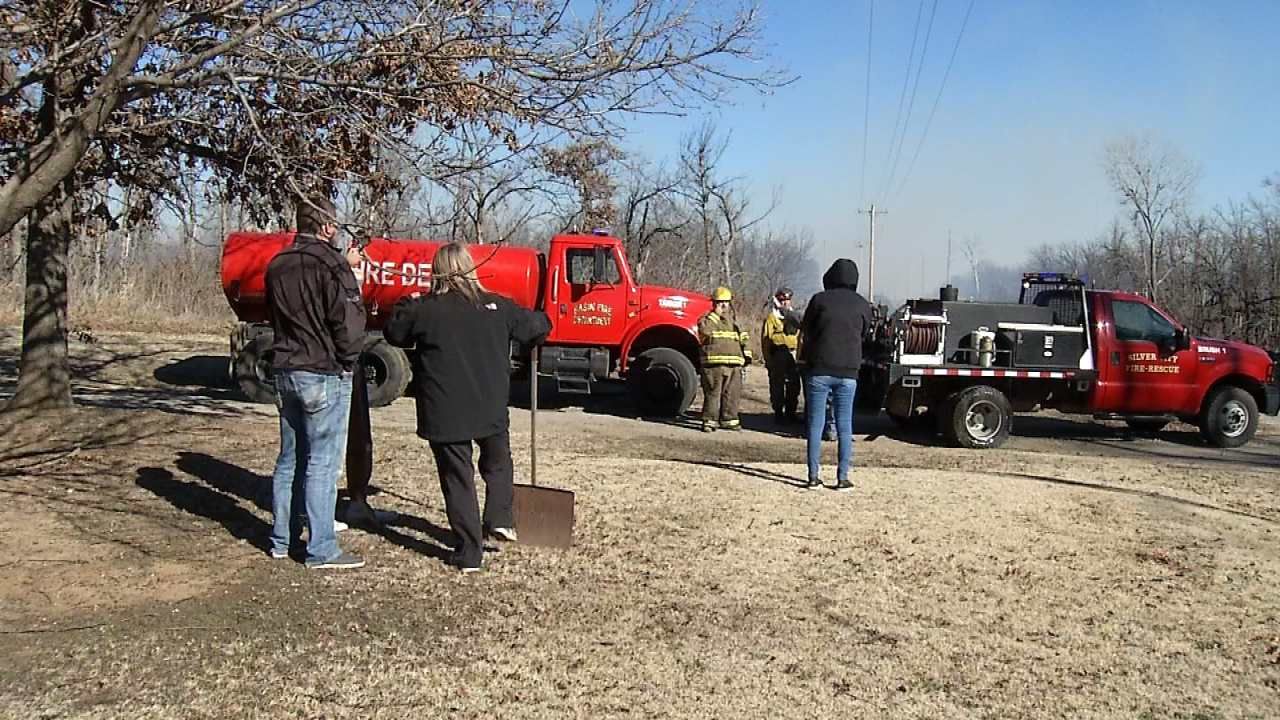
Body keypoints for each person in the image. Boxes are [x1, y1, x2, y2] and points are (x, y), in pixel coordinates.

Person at [384, 243, 551, 574]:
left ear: (437, 272)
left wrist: (407, 301)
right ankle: (499, 517)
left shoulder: (426, 309)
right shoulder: (497, 306)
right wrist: (541, 320)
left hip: (446, 412)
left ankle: (470, 551)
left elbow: (394, 332)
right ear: (471, 268)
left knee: (458, 478)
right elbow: (538, 326)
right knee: (498, 464)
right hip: (489, 408)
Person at [265, 195, 366, 568]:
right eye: (334, 224)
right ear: (325, 226)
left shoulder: (277, 263)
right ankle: (321, 548)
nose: (337, 230)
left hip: (285, 367)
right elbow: (349, 325)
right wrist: (348, 360)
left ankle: (281, 539)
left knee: (290, 459)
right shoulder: (331, 265)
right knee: (322, 463)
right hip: (322, 370)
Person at [797, 259, 873, 491]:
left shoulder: (819, 299)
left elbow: (806, 330)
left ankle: (813, 476)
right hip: (848, 372)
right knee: (844, 425)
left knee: (815, 424)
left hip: (819, 370)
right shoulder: (862, 304)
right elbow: (866, 334)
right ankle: (842, 478)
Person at [697, 286, 752, 432]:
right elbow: (704, 332)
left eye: (726, 302)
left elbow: (744, 338)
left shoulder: (734, 321)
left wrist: (747, 355)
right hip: (714, 364)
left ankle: (730, 420)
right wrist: (715, 315)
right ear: (713, 303)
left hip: (734, 363)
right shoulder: (707, 319)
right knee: (713, 394)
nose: (723, 305)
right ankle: (709, 421)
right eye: (720, 302)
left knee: (732, 394)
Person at [761, 287, 802, 424]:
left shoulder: (795, 318)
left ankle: (791, 412)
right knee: (777, 385)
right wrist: (768, 360)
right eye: (782, 300)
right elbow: (766, 340)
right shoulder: (772, 318)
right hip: (778, 354)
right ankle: (778, 412)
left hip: (793, 354)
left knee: (794, 385)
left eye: (788, 300)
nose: (785, 303)